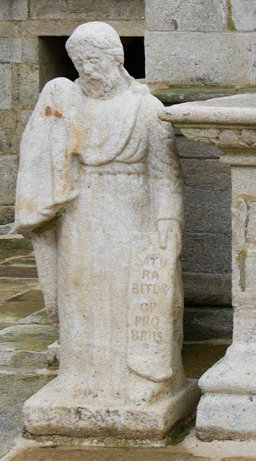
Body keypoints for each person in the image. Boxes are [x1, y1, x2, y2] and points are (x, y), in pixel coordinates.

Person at [14, 22, 192, 435]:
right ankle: (81, 376)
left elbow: (166, 175)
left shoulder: (145, 109)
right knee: (81, 292)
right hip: (83, 213)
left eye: (94, 60)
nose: (87, 70)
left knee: (127, 294)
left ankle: (138, 377)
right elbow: (43, 154)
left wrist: (167, 221)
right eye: (79, 62)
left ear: (116, 59)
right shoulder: (68, 103)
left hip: (132, 213)